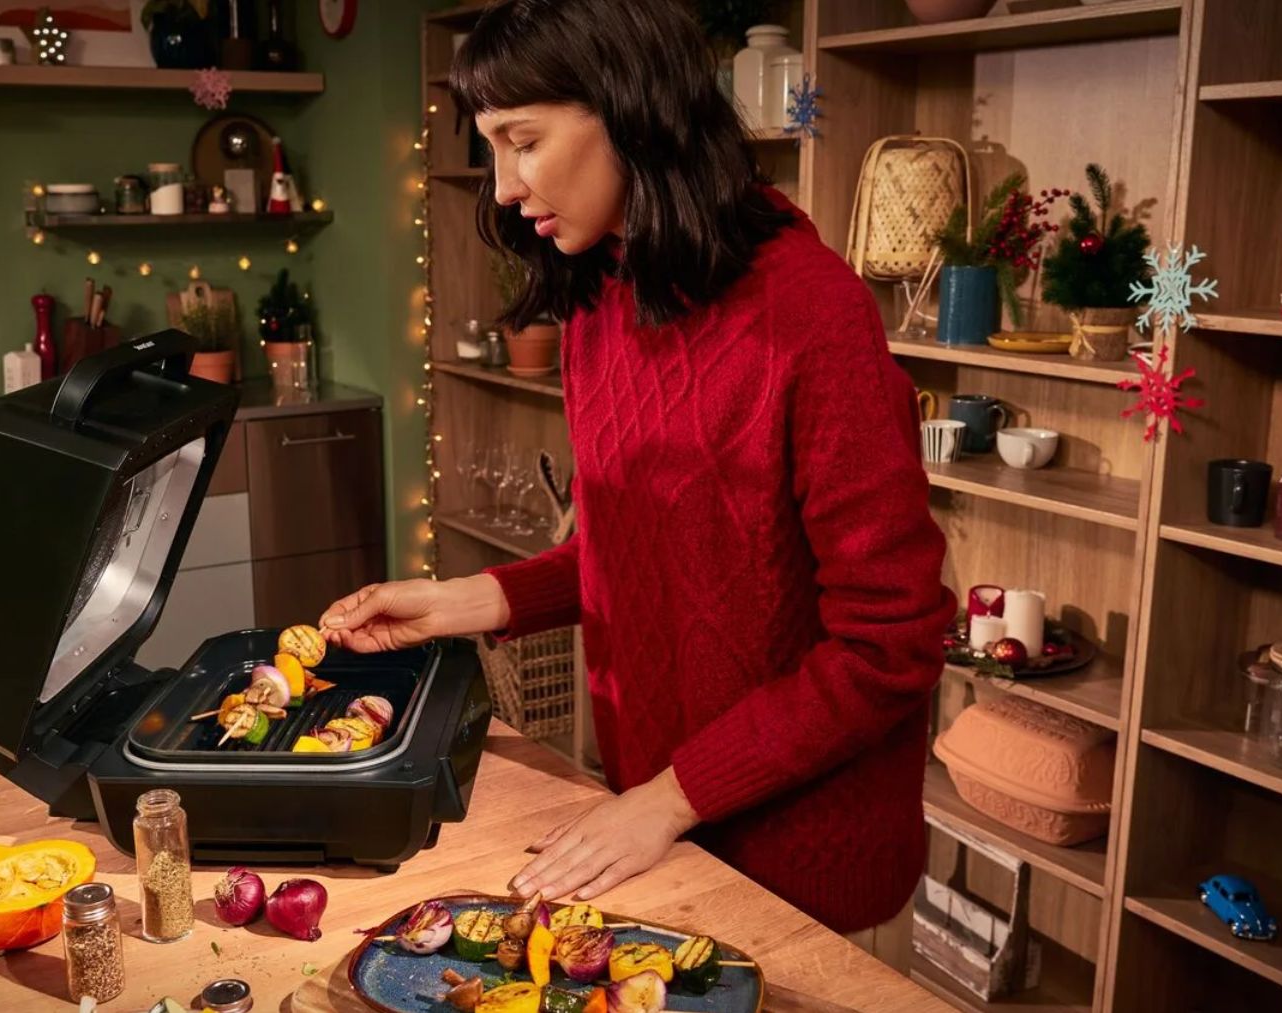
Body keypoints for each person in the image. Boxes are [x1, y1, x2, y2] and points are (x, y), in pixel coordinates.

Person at [318, 0, 953, 936]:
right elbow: (661, 544)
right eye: (490, 147)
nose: (501, 186)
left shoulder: (813, 315)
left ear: (630, 109)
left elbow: (889, 645)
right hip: (659, 816)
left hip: (793, 850)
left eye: (522, 141)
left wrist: (670, 796)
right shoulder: (600, 296)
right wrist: (469, 601)